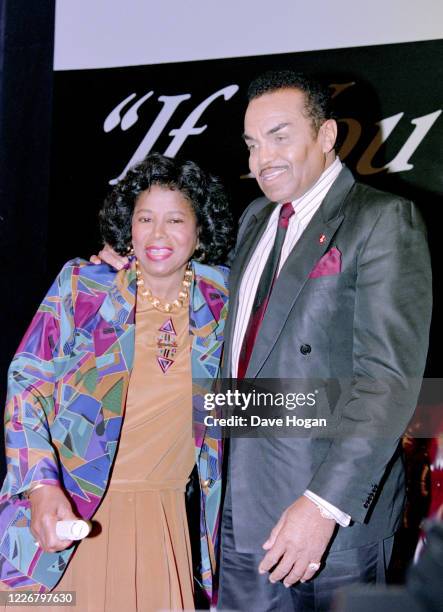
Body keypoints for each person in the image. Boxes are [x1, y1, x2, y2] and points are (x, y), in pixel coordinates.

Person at [92, 70, 432, 611]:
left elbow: (388, 383)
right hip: (237, 508)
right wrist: (134, 276)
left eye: (280, 136)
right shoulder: (256, 218)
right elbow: (232, 325)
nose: (261, 159)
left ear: (326, 136)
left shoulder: (382, 218)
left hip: (327, 521)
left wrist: (322, 506)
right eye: (252, 144)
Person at [0, 152, 232, 611]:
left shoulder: (224, 299)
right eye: (145, 219)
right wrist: (41, 485)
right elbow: (26, 386)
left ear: (200, 230)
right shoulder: (85, 287)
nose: (158, 234)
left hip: (163, 523)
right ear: (129, 226)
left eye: (175, 220)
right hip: (67, 516)